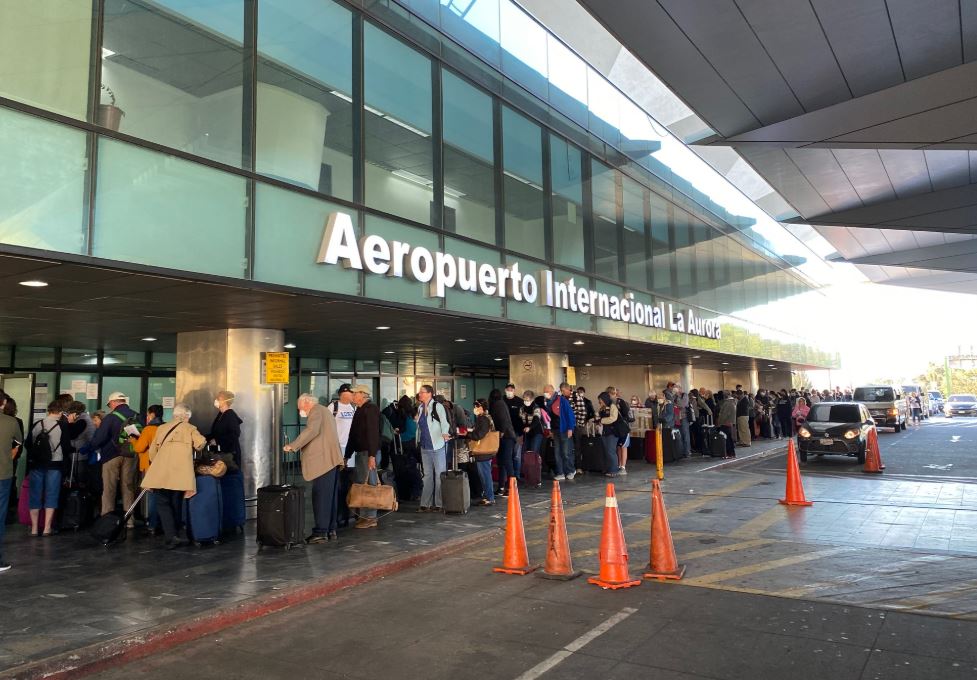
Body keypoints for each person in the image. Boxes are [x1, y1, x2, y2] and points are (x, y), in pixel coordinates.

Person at [140, 403, 206, 549]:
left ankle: (171, 536)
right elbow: (200, 443)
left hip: (161, 472)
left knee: (162, 503)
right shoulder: (190, 428)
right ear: (186, 416)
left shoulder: (162, 428)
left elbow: (152, 452)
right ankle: (175, 534)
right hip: (180, 474)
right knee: (176, 502)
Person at [284, 394, 345, 543]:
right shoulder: (325, 411)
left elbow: (312, 431)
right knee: (330, 498)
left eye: (300, 407)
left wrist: (293, 445)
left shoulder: (316, 411)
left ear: (307, 402)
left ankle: (321, 532)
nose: (300, 411)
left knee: (321, 497)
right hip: (331, 460)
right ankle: (330, 530)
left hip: (323, 462)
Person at [89, 392, 139, 522]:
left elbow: (99, 438)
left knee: (109, 488)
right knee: (128, 487)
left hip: (111, 455)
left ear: (114, 402)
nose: (110, 406)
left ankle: (107, 520)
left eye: (109, 404)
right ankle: (130, 521)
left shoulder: (110, 418)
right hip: (131, 455)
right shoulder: (137, 415)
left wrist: (91, 446)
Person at [27, 401, 72, 536]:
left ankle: (34, 528)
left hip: (37, 464)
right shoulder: (63, 426)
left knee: (35, 494)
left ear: (49, 410)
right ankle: (47, 528)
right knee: (51, 494)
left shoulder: (37, 424)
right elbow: (67, 447)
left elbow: (28, 444)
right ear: (61, 412)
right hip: (55, 465)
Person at [348, 385, 381, 528]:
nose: (353, 395)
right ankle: (364, 515)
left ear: (363, 394)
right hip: (361, 452)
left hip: (368, 453)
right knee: (362, 483)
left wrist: (372, 455)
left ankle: (371, 517)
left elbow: (373, 433)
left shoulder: (371, 409)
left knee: (370, 484)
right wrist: (347, 454)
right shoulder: (359, 410)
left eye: (355, 393)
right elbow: (353, 434)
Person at [130, 404, 164, 535]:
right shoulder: (164, 427)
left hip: (150, 466)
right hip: (163, 465)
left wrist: (133, 440)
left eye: (149, 414)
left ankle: (152, 523)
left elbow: (139, 448)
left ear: (152, 415)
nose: (147, 417)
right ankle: (162, 522)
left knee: (152, 495)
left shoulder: (148, 429)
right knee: (162, 495)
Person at [0, 393, 21, 571]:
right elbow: (18, 443)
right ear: (4, 403)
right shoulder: (11, 422)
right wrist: (9, 457)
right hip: (2, 474)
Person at [466, 399, 496, 506]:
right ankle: (487, 496)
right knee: (484, 474)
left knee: (485, 475)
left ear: (482, 407)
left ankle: (489, 497)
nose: (474, 409)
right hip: (485, 452)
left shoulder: (483, 419)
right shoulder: (486, 417)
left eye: (476, 406)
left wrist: (468, 434)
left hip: (483, 452)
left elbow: (480, 435)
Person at [489, 388, 517, 495]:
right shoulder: (501, 404)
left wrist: (502, 433)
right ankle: (501, 487)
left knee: (506, 462)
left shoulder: (498, 405)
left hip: (506, 437)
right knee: (502, 462)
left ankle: (511, 487)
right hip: (505, 437)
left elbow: (503, 421)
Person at [545, 383, 576, 481]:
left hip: (564, 429)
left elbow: (570, 415)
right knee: (557, 453)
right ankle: (560, 472)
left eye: (546, 392)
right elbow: (548, 418)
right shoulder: (547, 402)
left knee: (566, 452)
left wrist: (570, 428)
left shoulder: (562, 400)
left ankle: (570, 471)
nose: (545, 394)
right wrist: (549, 430)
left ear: (551, 391)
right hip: (555, 431)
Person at [208, 390, 242, 471]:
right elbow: (215, 434)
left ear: (225, 401)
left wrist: (217, 441)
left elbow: (234, 434)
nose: (216, 400)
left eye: (219, 398)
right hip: (221, 454)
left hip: (229, 456)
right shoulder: (221, 415)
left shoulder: (230, 416)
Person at [597, 392, 622, 476]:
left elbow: (613, 418)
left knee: (611, 451)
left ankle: (614, 470)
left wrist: (601, 420)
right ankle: (607, 469)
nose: (600, 402)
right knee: (606, 451)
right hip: (604, 432)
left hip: (612, 432)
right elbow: (598, 416)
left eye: (601, 400)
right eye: (599, 401)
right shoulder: (602, 408)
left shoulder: (613, 406)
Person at [571, 386, 595, 473]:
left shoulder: (587, 401)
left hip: (582, 425)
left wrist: (585, 421)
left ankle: (580, 466)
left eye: (581, 392)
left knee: (579, 445)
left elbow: (591, 413)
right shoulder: (572, 401)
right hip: (573, 425)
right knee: (573, 446)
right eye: (578, 392)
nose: (580, 393)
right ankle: (574, 465)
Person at [502, 384, 523, 479]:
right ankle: (509, 475)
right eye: (508, 390)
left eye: (511, 390)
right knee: (507, 455)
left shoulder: (519, 402)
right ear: (505, 390)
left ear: (514, 391)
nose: (509, 391)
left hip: (517, 432)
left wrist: (522, 433)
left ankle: (517, 474)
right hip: (505, 433)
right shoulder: (502, 401)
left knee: (516, 455)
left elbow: (522, 418)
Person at [519, 390, 544, 456]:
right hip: (527, 433)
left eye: (528, 400)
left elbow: (536, 419)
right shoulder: (522, 408)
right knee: (525, 451)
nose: (526, 401)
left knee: (534, 451)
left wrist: (530, 427)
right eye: (524, 399)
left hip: (536, 432)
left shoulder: (536, 407)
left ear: (532, 399)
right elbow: (520, 419)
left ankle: (537, 465)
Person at [717, 391, 737, 458]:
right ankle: (732, 453)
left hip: (725, 423)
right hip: (729, 422)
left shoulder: (728, 403)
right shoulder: (732, 402)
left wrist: (719, 422)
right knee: (729, 439)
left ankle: (729, 454)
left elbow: (724, 415)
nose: (723, 396)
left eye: (724, 394)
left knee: (726, 439)